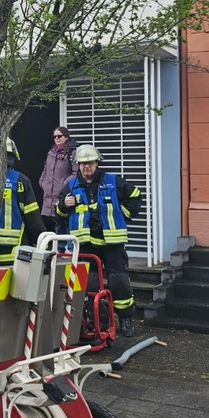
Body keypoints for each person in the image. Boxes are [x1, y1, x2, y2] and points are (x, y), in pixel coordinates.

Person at [56, 144, 142, 338]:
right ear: (78, 165)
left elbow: (135, 196)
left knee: (119, 282)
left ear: (97, 163)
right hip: (87, 246)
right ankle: (96, 320)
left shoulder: (113, 181)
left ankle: (126, 320)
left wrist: (123, 215)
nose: (87, 167)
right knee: (91, 285)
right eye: (83, 164)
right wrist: (63, 204)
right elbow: (58, 214)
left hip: (112, 244)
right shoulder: (70, 186)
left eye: (91, 163)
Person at [40, 126, 77, 234]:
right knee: (55, 225)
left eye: (59, 136)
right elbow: (45, 170)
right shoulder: (51, 153)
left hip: (64, 195)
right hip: (49, 196)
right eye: (55, 136)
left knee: (66, 224)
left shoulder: (72, 152)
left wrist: (63, 186)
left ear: (66, 137)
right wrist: (43, 183)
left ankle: (69, 249)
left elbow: (76, 173)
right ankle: (58, 249)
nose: (57, 138)